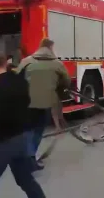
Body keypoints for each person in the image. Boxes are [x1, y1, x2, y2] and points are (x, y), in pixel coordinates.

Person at [0, 50, 47, 198]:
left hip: (0, 144)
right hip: (21, 139)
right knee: (25, 180)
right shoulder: (21, 81)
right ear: (5, 63)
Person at [17, 38, 70, 171]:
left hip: (25, 103)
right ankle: (30, 157)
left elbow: (16, 78)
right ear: (51, 48)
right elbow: (66, 82)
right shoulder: (57, 64)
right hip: (46, 102)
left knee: (28, 130)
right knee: (38, 130)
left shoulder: (26, 61)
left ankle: (28, 157)